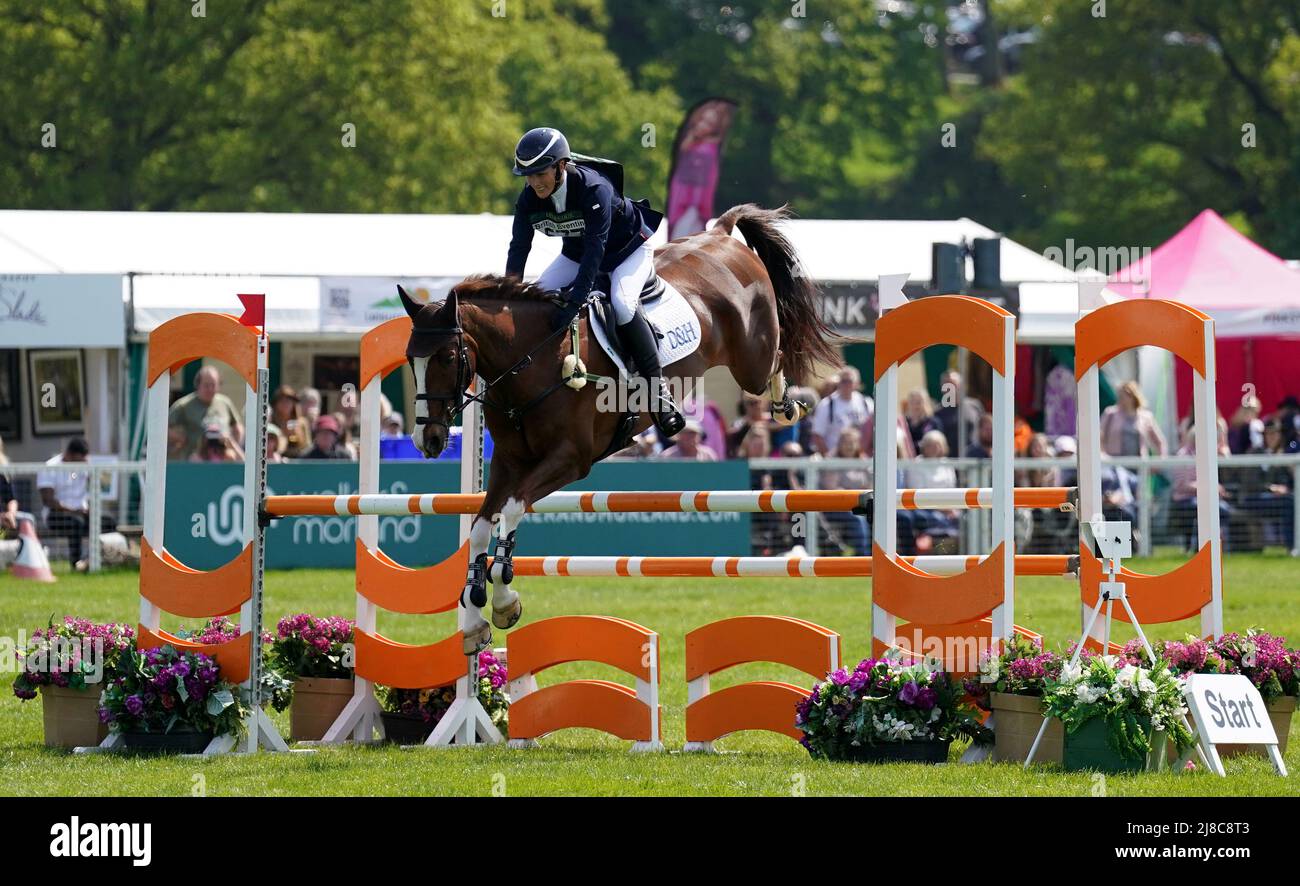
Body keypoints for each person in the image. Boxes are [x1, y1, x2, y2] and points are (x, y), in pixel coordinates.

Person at [505, 126, 683, 438]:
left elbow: (596, 250)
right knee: (535, 301)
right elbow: (519, 248)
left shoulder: (593, 189)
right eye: (527, 176)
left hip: (628, 249)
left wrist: (575, 301)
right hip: (577, 253)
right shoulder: (529, 199)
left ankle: (660, 394)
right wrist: (509, 298)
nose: (534, 182)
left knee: (624, 306)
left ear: (561, 165)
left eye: (539, 173)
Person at [37, 437, 112, 569]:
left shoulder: (85, 465)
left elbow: (104, 484)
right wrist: (73, 511)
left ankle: (95, 559)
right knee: (76, 522)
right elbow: (48, 500)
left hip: (81, 512)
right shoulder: (50, 467)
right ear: (70, 454)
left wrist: (93, 473)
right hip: (56, 515)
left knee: (108, 522)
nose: (82, 461)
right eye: (79, 458)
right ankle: (76, 563)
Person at [167, 366, 244, 460]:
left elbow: (237, 426)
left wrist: (232, 442)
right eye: (206, 385)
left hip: (223, 459)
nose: (210, 389)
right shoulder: (184, 405)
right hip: (195, 460)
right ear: (198, 385)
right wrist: (180, 438)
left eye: (213, 385)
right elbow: (165, 429)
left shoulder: (225, 403)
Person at [820, 427, 870, 555]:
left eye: (852, 442)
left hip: (861, 504)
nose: (849, 446)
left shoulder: (863, 461)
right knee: (859, 519)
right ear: (839, 444)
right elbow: (832, 488)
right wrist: (856, 495)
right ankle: (863, 559)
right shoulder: (832, 460)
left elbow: (870, 486)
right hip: (836, 507)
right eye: (846, 442)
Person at [809, 367, 872, 456]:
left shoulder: (866, 403)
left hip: (860, 459)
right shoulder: (826, 404)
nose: (846, 384)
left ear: (856, 383)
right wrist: (828, 458)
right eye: (843, 381)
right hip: (835, 459)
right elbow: (817, 435)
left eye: (849, 381)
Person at [1099, 381, 1166, 457]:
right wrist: (1103, 454)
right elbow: (1100, 436)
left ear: (1132, 397)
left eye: (1122, 396)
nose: (1120, 399)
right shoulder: (1110, 413)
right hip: (1114, 463)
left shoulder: (1146, 416)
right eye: (1119, 396)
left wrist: (1159, 462)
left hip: (1138, 463)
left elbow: (1159, 441)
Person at [270, 385, 310, 458]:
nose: (285, 404)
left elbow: (307, 446)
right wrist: (283, 434)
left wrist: (299, 435)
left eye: (288, 401)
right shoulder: (271, 422)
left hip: (299, 460)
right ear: (276, 404)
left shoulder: (302, 422)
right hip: (277, 459)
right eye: (282, 401)